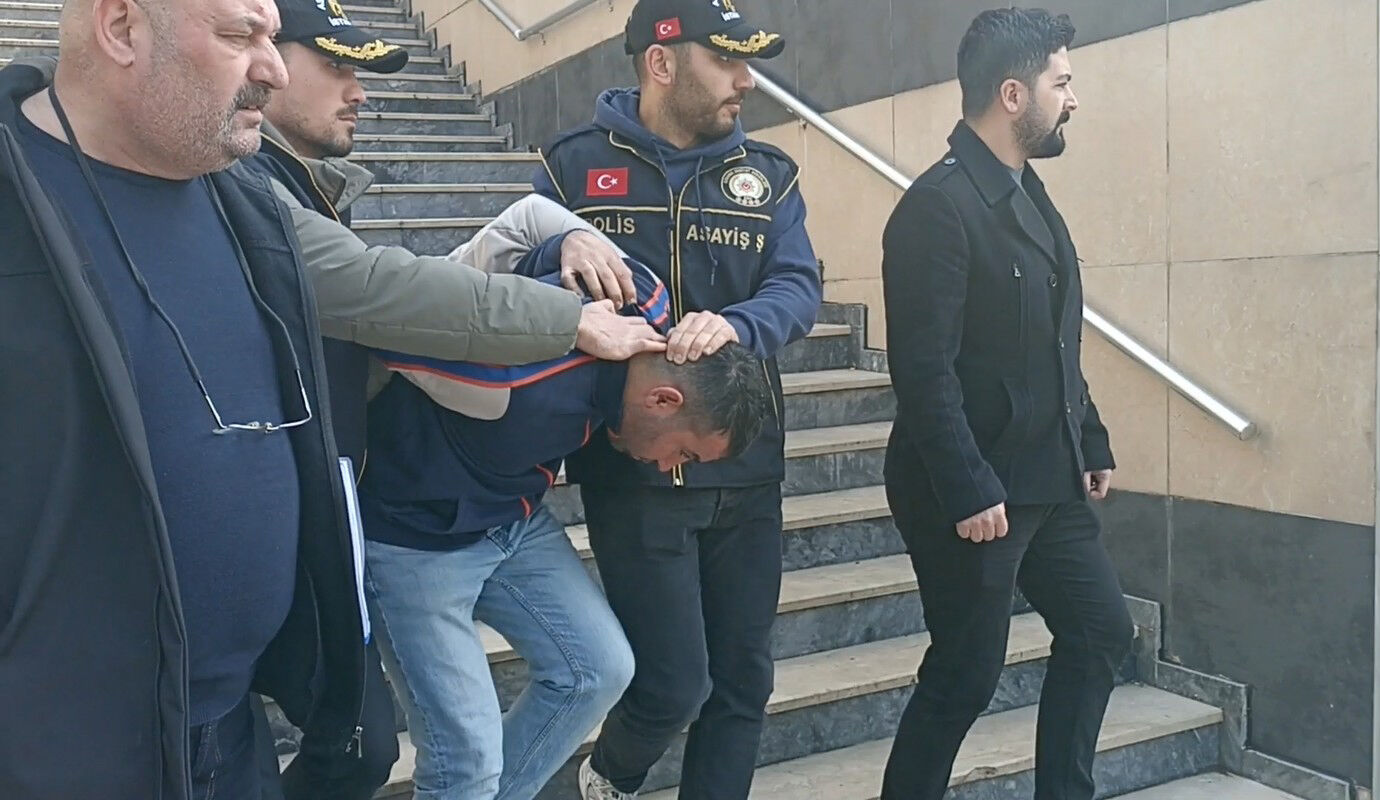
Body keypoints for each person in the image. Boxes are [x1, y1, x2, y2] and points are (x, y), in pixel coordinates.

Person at [242, 2, 666, 794]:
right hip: (374, 524)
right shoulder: (246, 184)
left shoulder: (304, 182)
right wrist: (567, 319)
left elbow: (441, 281)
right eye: (336, 64)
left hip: (457, 515)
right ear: (262, 55)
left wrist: (567, 233)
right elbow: (383, 301)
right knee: (388, 749)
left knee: (590, 672)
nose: (358, 90)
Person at [0, 0, 365, 795]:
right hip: (53, 759)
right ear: (121, 26)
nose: (274, 70)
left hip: (233, 737)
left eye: (272, 37)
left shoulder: (252, 205)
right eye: (239, 35)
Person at [531, 1, 822, 797]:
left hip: (744, 467)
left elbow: (798, 286)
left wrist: (737, 326)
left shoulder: (770, 175)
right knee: (672, 680)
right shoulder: (571, 166)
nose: (745, 79)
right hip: (635, 469)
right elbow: (522, 274)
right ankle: (611, 774)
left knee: (742, 682)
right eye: (726, 59)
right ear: (661, 62)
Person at [357, 247, 775, 800]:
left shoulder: (642, 297)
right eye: (685, 453)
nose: (669, 467)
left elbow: (550, 241)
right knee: (467, 761)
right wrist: (561, 308)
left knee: (599, 669)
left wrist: (566, 240)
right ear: (663, 399)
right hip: (414, 540)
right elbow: (386, 324)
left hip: (513, 520)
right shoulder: (519, 378)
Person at [878, 8, 1134, 800]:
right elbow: (923, 370)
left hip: (1048, 475)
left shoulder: (1029, 194)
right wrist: (966, 487)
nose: (1073, 100)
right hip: (976, 488)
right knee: (964, 673)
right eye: (1063, 83)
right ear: (1013, 95)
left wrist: (1090, 437)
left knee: (1101, 631)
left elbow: (1054, 339)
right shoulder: (937, 207)